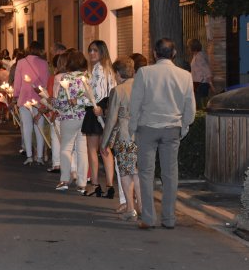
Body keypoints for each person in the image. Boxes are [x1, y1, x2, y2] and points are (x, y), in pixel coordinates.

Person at [129, 38, 196, 229]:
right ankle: (169, 218)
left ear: (154, 53)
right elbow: (190, 107)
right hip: (172, 128)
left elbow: (136, 103)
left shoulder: (144, 73)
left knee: (146, 173)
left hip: (147, 128)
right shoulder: (184, 75)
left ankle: (149, 218)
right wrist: (184, 126)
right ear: (173, 54)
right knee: (170, 174)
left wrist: (132, 127)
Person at [101, 58, 141, 221]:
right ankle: (144, 208)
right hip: (142, 136)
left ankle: (130, 209)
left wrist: (104, 143)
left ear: (118, 73)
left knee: (125, 173)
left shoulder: (118, 90)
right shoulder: (142, 87)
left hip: (125, 137)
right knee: (138, 173)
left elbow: (111, 119)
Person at [82, 40, 117, 198]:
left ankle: (95, 184)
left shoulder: (97, 69)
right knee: (105, 149)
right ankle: (110, 185)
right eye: (90, 51)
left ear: (102, 52)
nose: (91, 53)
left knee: (92, 150)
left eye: (95, 50)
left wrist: (80, 99)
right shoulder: (110, 69)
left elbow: (94, 95)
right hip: (107, 110)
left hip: (95, 109)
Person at [53, 50, 90, 194]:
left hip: (68, 117)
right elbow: (92, 97)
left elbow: (61, 102)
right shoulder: (87, 76)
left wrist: (53, 103)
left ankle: (64, 180)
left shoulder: (66, 78)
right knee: (82, 150)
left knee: (66, 148)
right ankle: (82, 183)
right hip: (84, 117)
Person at [13, 41, 50, 165]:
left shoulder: (21, 62)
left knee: (27, 128)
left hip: (24, 98)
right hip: (39, 99)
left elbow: (17, 82)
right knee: (39, 128)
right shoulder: (44, 63)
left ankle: (29, 156)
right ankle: (39, 157)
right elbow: (45, 83)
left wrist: (15, 96)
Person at [187, 38, 214, 110]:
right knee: (200, 104)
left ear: (192, 47)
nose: (188, 48)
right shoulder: (196, 55)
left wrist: (211, 84)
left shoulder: (199, 56)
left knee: (202, 105)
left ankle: (203, 119)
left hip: (202, 84)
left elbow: (206, 70)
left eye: (189, 46)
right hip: (199, 83)